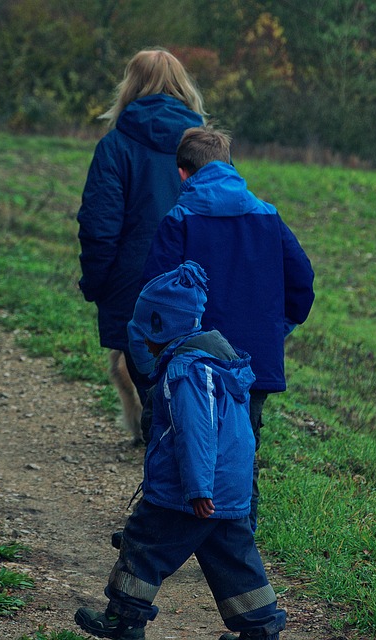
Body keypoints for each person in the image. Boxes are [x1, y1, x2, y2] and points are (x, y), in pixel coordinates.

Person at [75, 261, 287, 640]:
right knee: (234, 561)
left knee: (144, 544)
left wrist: (197, 487)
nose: (144, 345)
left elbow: (197, 434)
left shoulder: (185, 372)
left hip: (187, 492)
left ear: (159, 326)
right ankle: (260, 629)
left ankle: (124, 618)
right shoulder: (220, 364)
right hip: (230, 492)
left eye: (145, 335)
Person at [131, 127, 315, 529]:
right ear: (229, 164)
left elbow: (156, 296)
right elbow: (302, 282)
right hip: (251, 362)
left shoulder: (179, 219)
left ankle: (160, 531)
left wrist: (153, 354)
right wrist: (275, 330)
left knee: (174, 437)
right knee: (241, 448)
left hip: (189, 361)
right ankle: (239, 538)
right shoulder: (267, 215)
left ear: (182, 173)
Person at [76, 48, 205, 440]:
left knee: (139, 364)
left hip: (134, 284)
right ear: (184, 86)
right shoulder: (208, 148)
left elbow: (99, 227)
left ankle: (152, 437)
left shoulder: (115, 146)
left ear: (129, 86)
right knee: (189, 370)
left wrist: (96, 284)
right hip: (193, 281)